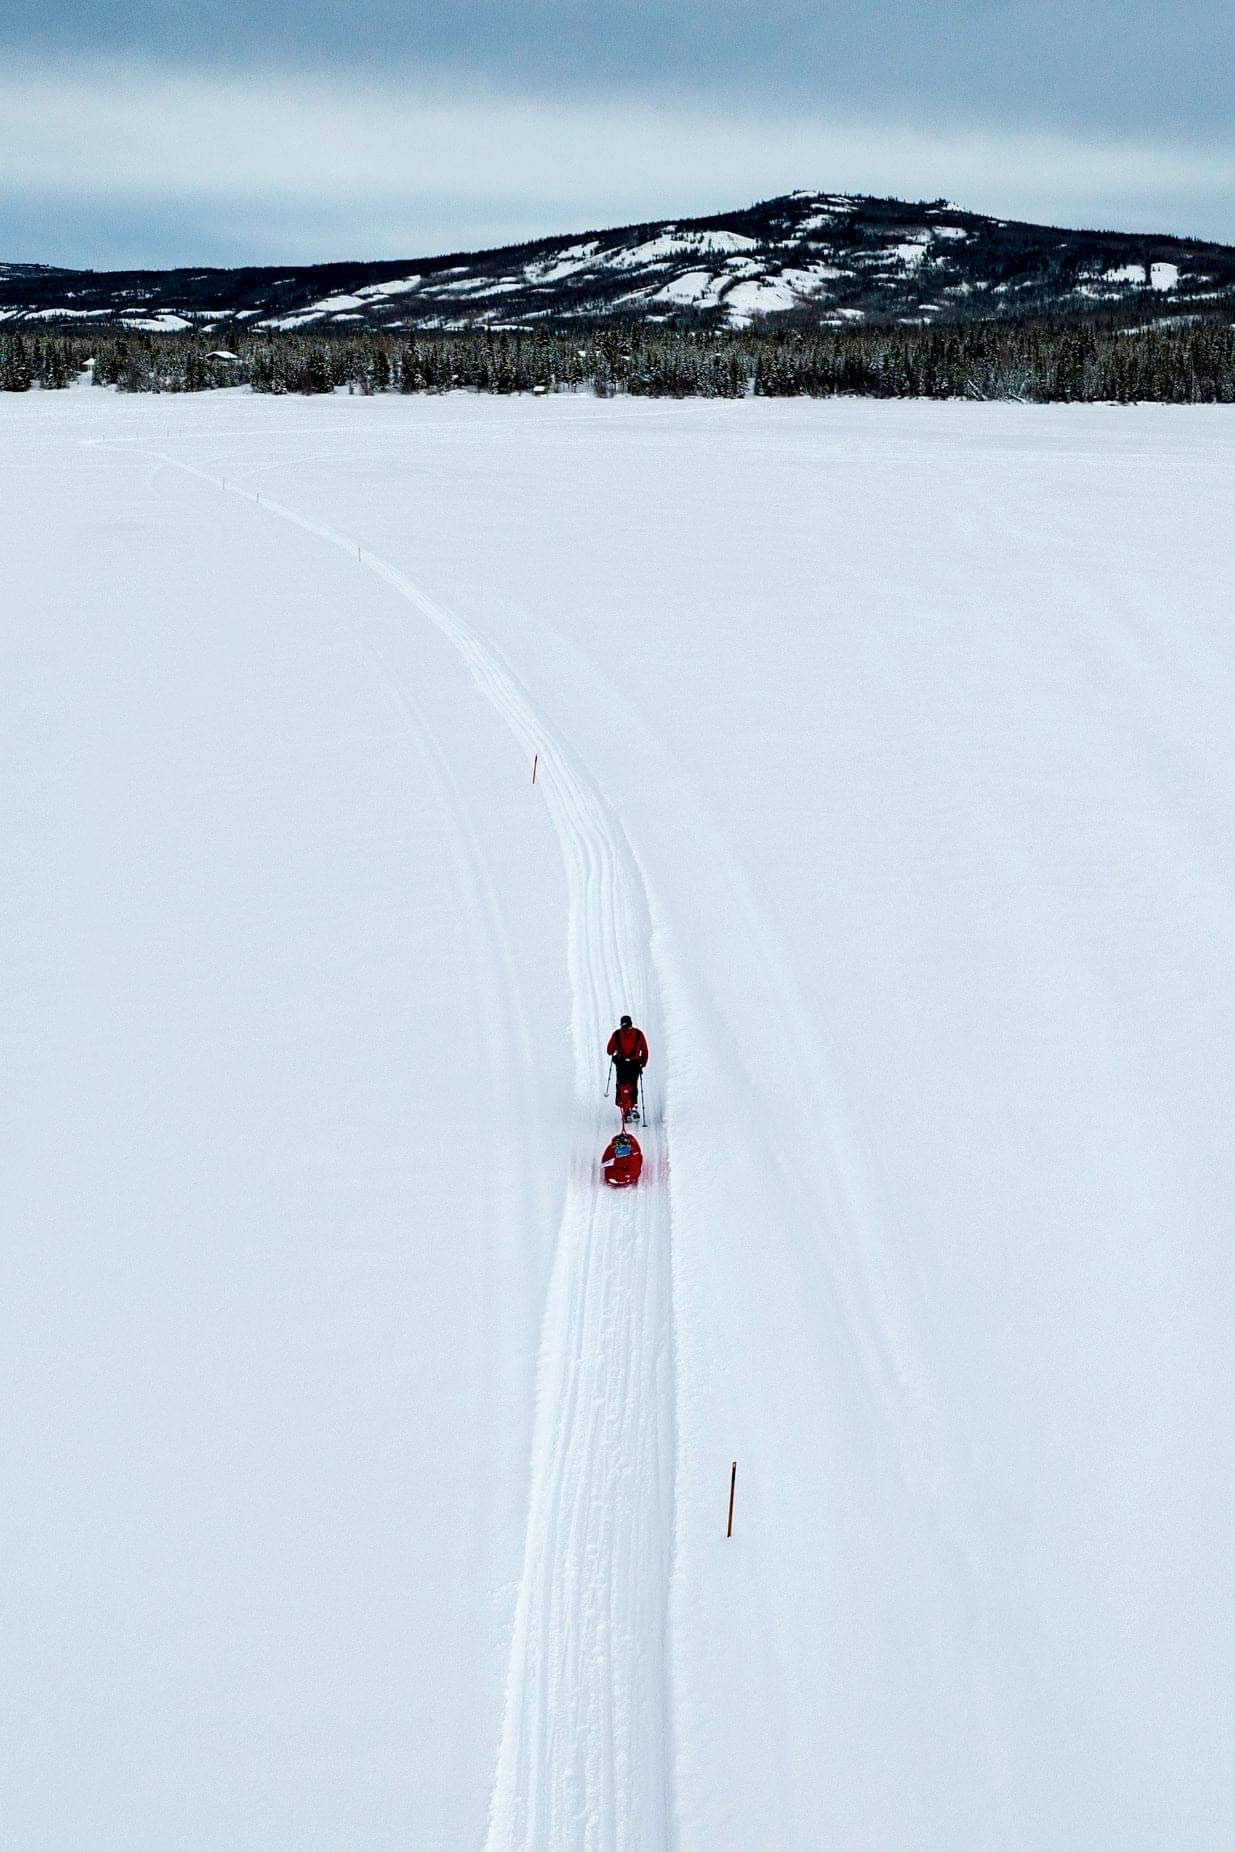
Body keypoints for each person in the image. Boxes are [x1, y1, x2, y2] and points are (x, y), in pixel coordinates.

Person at [606, 1014, 649, 1122]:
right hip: (635, 1064)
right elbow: (645, 1050)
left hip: (621, 1065)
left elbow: (609, 1050)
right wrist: (643, 1063)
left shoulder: (617, 1034)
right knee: (633, 1085)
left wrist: (614, 1051)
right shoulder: (639, 1034)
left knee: (622, 1085)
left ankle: (626, 1109)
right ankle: (633, 1106)